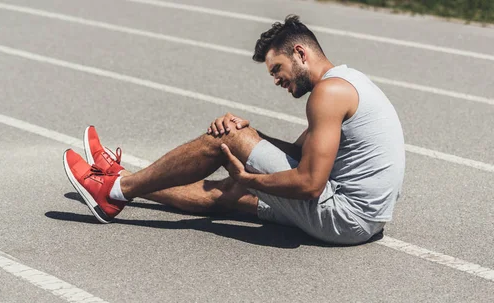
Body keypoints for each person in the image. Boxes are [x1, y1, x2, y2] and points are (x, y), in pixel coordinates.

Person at [62, 15, 405, 245]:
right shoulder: (347, 81)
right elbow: (302, 155)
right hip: (363, 220)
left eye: (277, 68)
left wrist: (249, 172)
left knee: (226, 140)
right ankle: (121, 182)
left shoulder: (327, 95)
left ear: (300, 53)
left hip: (342, 217)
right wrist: (251, 136)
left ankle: (111, 190)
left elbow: (310, 183)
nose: (276, 80)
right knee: (225, 192)